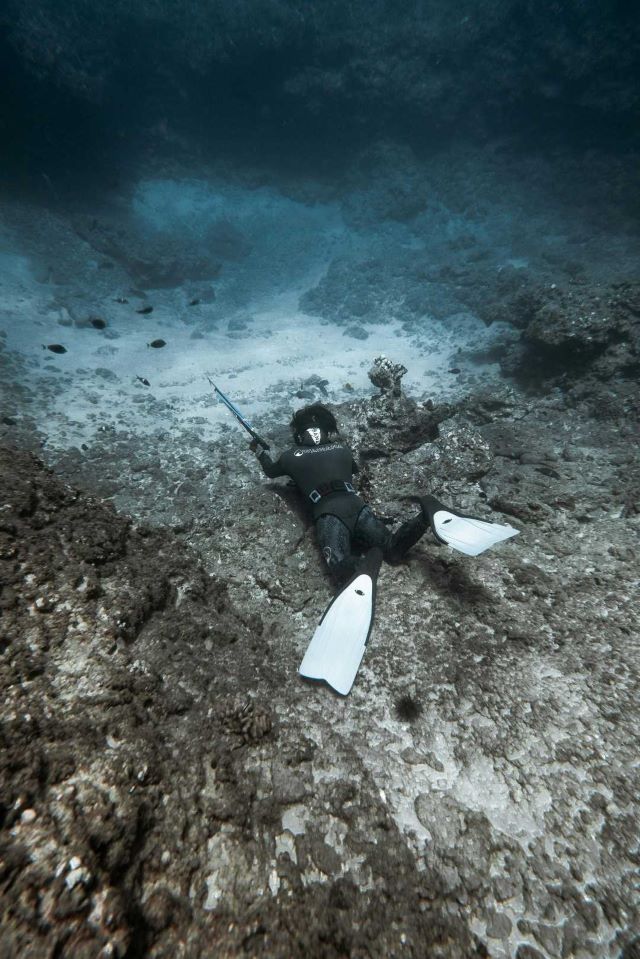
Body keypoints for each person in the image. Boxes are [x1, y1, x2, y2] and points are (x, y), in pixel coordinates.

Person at [250, 403, 429, 584]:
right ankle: (425, 517)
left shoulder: (290, 456)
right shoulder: (342, 450)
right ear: (327, 431)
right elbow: (352, 470)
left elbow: (271, 471)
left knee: (338, 565)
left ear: (298, 434)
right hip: (357, 506)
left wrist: (261, 452)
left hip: (329, 514)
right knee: (392, 549)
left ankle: (359, 567)